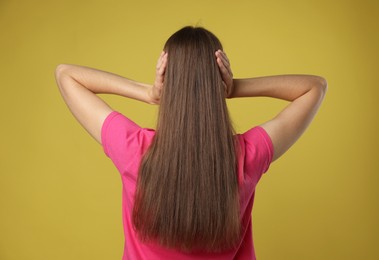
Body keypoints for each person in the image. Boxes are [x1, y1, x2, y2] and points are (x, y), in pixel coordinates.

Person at [55, 26, 327, 260]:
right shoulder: (247, 155)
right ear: (219, 81)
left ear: (168, 83)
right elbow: (314, 87)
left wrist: (150, 93)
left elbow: (66, 75)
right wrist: (233, 88)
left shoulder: (134, 150)